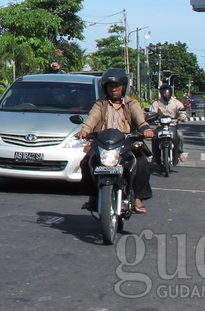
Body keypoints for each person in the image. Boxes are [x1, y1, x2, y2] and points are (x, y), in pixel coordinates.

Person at [76, 68, 155, 214]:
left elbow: (140, 120)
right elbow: (92, 119)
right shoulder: (100, 104)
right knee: (87, 163)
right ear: (105, 88)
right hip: (103, 142)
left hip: (127, 142)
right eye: (111, 86)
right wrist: (85, 130)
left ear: (124, 87)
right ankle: (92, 197)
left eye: (117, 86)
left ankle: (138, 198)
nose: (114, 89)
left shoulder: (132, 104)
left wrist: (145, 130)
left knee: (142, 163)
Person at [149, 84, 188, 163]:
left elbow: (181, 110)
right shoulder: (157, 103)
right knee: (154, 137)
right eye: (163, 92)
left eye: (167, 92)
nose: (165, 94)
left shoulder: (176, 103)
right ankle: (155, 155)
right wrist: (151, 117)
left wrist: (182, 117)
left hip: (172, 126)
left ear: (170, 93)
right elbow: (152, 112)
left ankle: (180, 153)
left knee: (179, 136)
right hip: (160, 126)